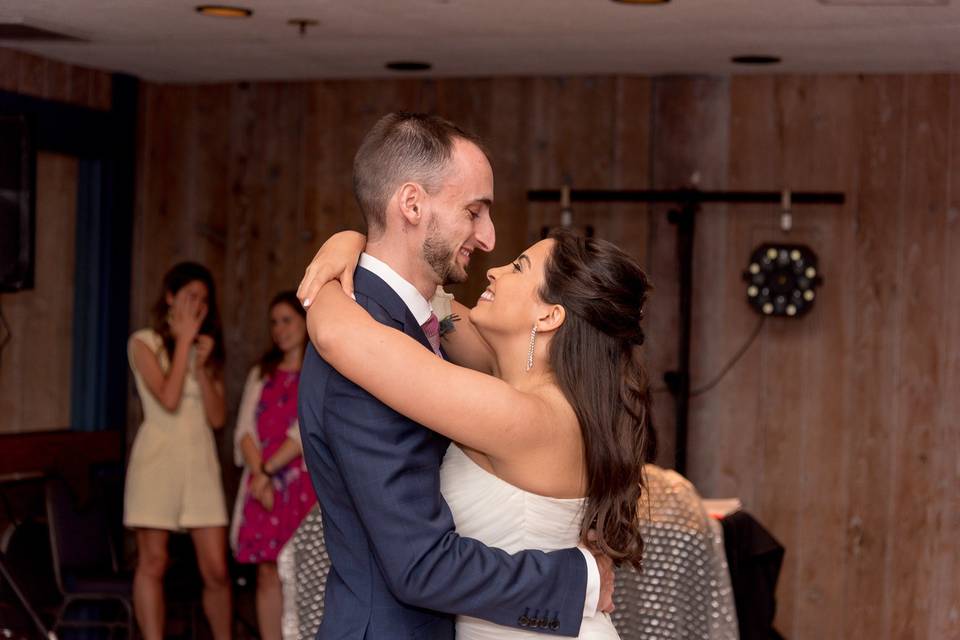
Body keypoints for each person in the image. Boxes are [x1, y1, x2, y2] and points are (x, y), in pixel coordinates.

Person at [295, 112, 623, 640]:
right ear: (411, 204)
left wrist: (330, 282)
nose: (491, 246)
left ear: (550, 317)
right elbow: (418, 564)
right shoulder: (421, 344)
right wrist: (351, 240)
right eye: (475, 211)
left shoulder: (389, 345)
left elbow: (340, 331)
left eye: (518, 267)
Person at [124, 262, 232, 640]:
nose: (197, 306)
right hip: (157, 459)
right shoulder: (143, 343)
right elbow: (168, 400)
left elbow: (218, 419)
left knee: (217, 568)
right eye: (190, 296)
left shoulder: (207, 349)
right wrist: (183, 341)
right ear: (170, 297)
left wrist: (201, 367)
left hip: (199, 460)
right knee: (154, 561)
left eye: (203, 300)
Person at [231, 291, 317, 640]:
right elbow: (244, 431)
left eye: (287, 320)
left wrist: (266, 473)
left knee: (300, 571)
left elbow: (302, 432)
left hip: (300, 485)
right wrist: (259, 476)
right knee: (266, 572)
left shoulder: (318, 370)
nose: (280, 329)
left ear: (305, 321)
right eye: (274, 322)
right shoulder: (261, 374)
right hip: (261, 485)